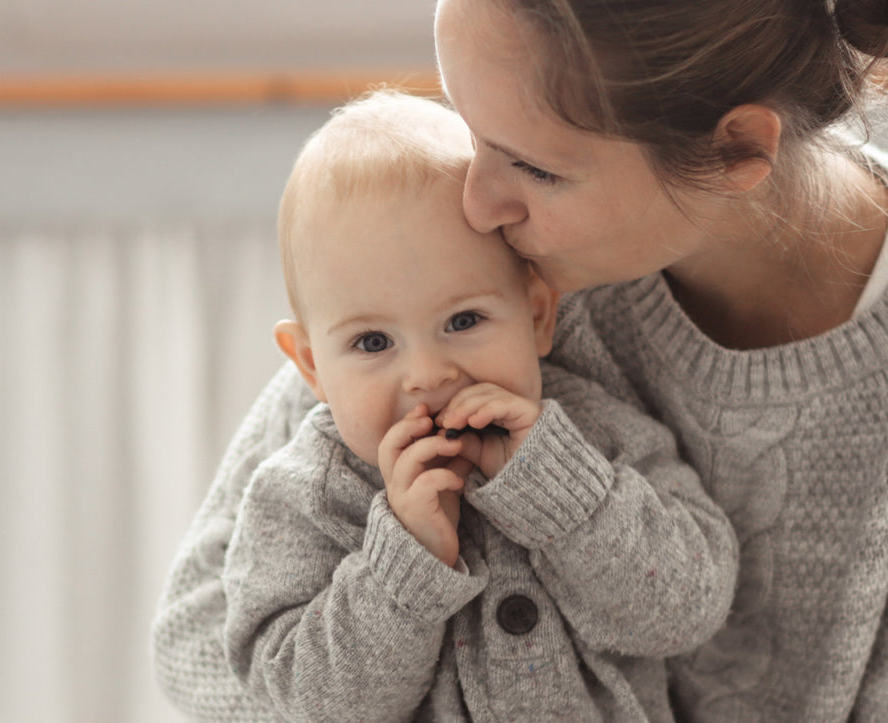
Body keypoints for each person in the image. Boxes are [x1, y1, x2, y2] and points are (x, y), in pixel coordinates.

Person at [152, 0, 888, 720]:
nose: (473, 205)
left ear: (735, 150)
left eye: (533, 167)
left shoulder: (510, 302)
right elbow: (200, 646)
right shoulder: (471, 282)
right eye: (469, 133)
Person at [217, 88, 737, 722]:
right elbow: (295, 701)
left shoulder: (590, 434)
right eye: (372, 341)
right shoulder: (301, 496)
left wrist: (566, 498)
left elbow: (689, 609)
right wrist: (402, 568)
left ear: (538, 315)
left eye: (464, 319)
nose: (429, 374)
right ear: (310, 367)